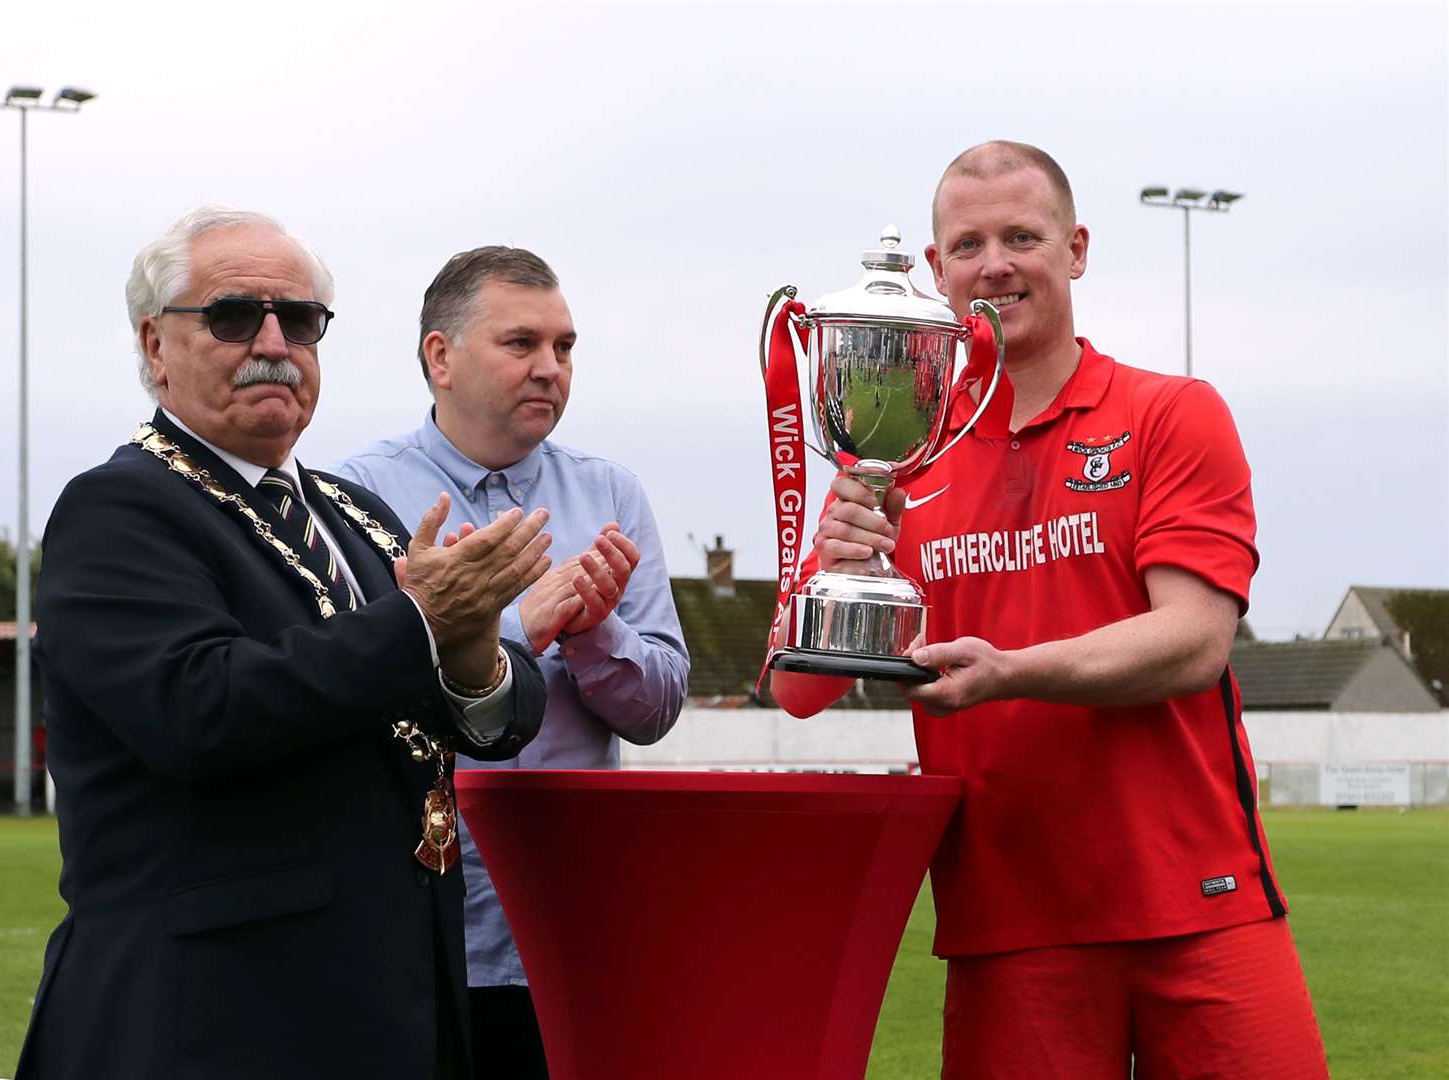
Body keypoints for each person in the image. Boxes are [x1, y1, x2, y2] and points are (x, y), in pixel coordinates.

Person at [773, 142, 1328, 1078]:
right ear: (935, 270)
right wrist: (829, 573)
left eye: (1022, 237)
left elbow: (1193, 642)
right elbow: (795, 696)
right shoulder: (892, 453)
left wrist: (1012, 674)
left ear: (1075, 249)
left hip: (1198, 896)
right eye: (969, 243)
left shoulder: (1172, 414)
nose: (996, 264)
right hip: (1010, 921)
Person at [14, 207, 553, 1080]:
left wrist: (472, 654)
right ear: (155, 345)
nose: (274, 341)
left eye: (299, 319)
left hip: (392, 1003)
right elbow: (201, 709)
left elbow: (503, 713)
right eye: (233, 315)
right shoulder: (119, 510)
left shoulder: (355, 513)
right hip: (209, 1019)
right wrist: (420, 623)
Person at [338, 245, 689, 1078]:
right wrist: (514, 632)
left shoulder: (611, 494)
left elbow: (658, 709)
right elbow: (352, 697)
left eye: (564, 348)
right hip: (420, 926)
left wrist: (595, 633)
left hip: (575, 926)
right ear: (440, 357)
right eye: (521, 343)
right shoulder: (358, 495)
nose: (550, 369)